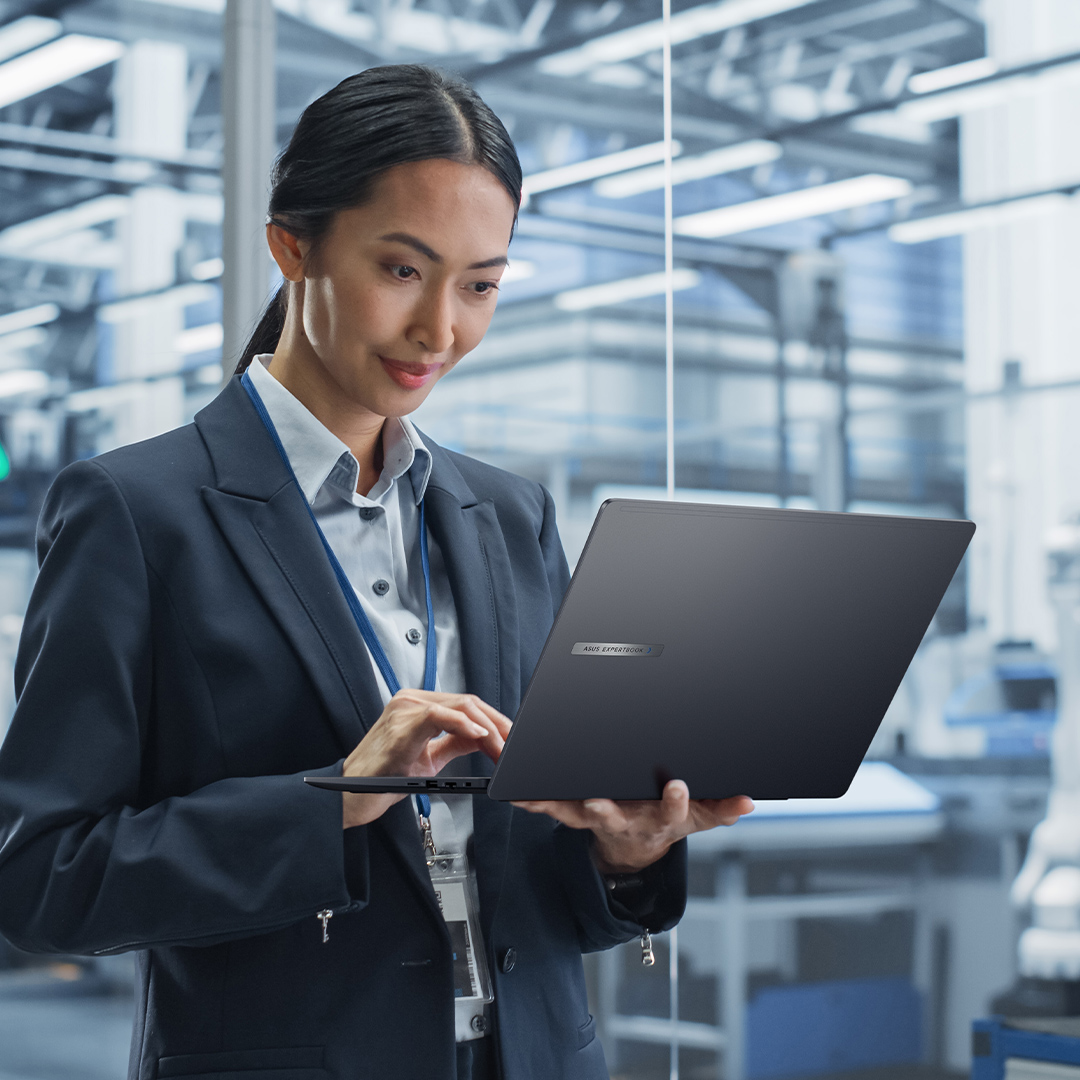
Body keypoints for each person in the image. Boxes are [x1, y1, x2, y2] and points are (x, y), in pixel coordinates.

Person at [0, 65, 752, 1080]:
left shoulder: (512, 516)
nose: (442, 328)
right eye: (402, 270)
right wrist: (337, 798)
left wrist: (625, 850)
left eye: (480, 284)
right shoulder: (137, 513)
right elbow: (45, 878)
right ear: (292, 244)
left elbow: (540, 893)